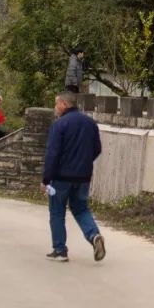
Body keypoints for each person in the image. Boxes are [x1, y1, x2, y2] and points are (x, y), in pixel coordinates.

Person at [41, 90, 105, 263]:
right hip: (83, 177)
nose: (55, 107)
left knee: (56, 211)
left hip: (61, 178)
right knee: (81, 209)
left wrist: (46, 179)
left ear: (63, 104)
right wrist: (83, 162)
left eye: (56, 104)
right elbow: (97, 148)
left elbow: (52, 154)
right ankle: (94, 235)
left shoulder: (59, 124)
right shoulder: (90, 123)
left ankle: (60, 250)